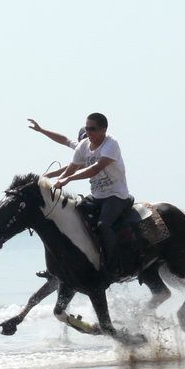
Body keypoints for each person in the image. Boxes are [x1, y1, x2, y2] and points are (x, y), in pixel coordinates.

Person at [53, 113, 132, 275]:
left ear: (103, 129)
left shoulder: (111, 145)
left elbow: (95, 168)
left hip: (116, 195)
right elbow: (72, 167)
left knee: (104, 225)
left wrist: (68, 179)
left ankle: (113, 265)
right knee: (74, 214)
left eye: (93, 129)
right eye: (87, 128)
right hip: (97, 196)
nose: (88, 132)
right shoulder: (84, 145)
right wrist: (57, 181)